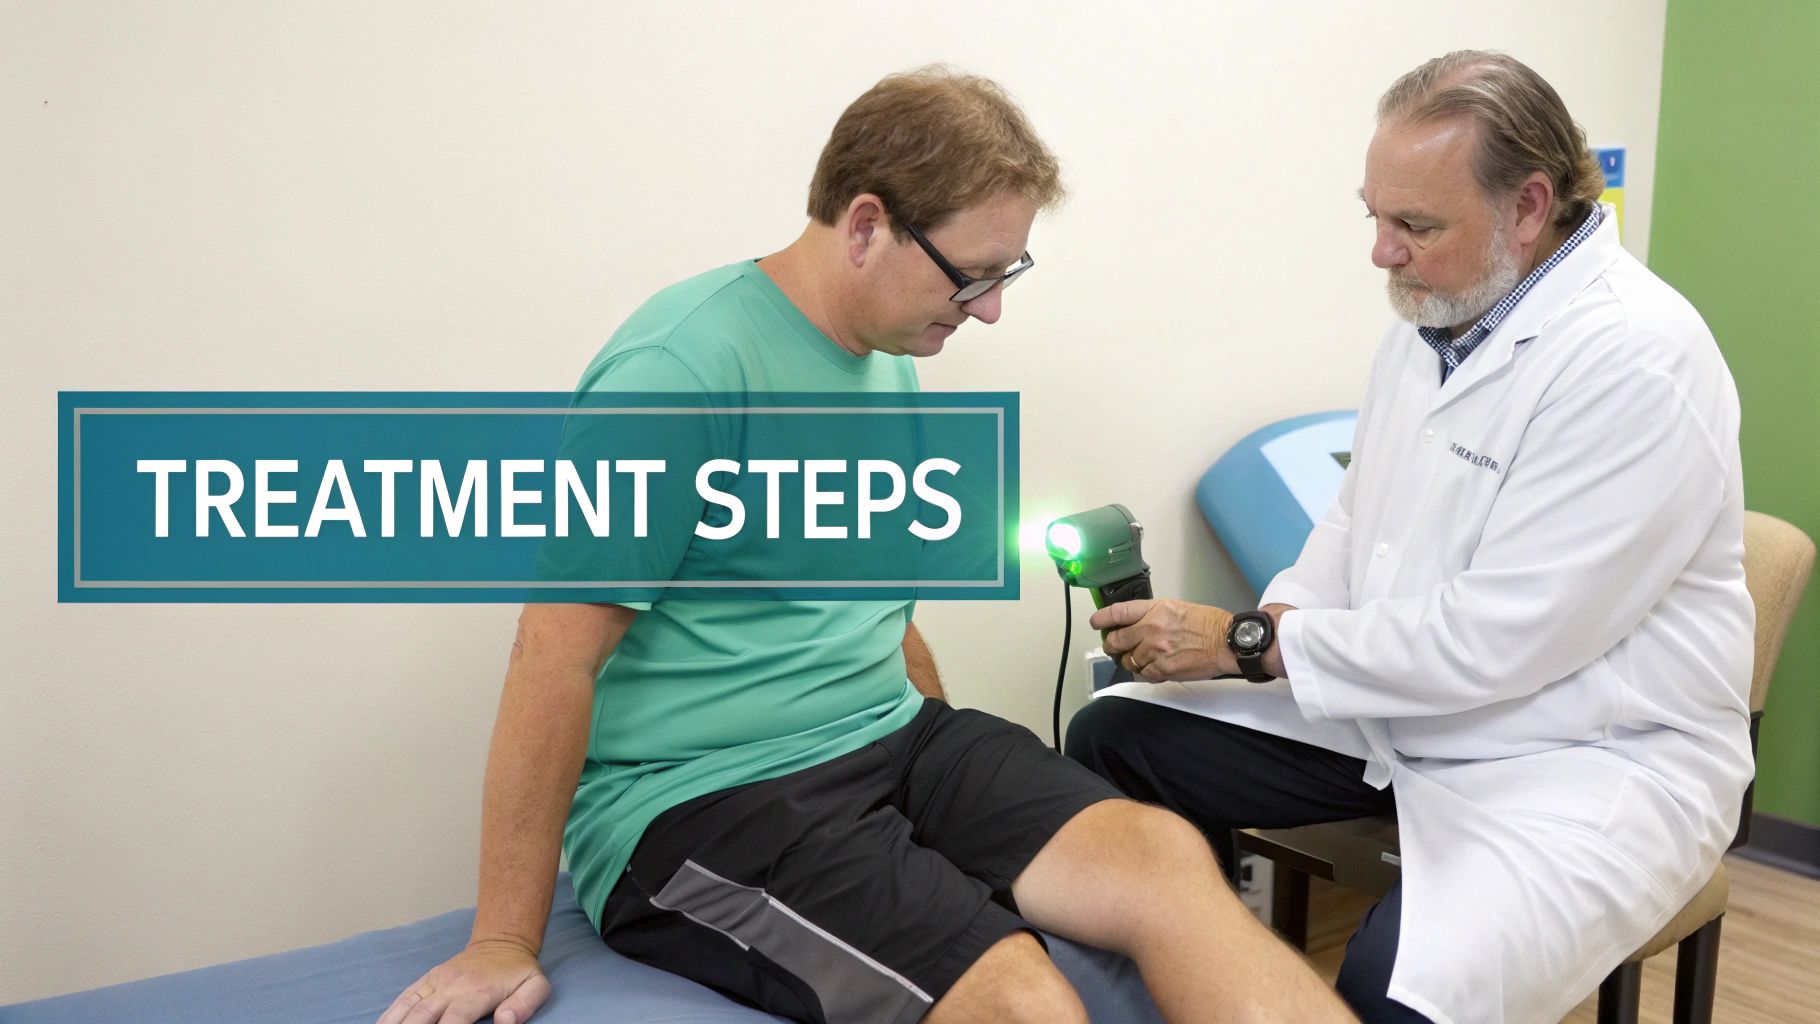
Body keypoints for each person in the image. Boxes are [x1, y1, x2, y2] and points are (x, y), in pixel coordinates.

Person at [379, 68, 1355, 1024]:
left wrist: (942, 784)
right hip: (708, 798)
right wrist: (502, 938)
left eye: (1005, 273)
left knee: (1163, 857)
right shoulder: (679, 371)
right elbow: (552, 652)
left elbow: (875, 613)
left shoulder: (885, 362)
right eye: (972, 275)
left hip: (889, 740)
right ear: (864, 225)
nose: (989, 308)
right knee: (1019, 996)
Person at [1069, 50, 1753, 1024]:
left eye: (1414, 225)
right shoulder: (1432, 319)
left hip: (1578, 757)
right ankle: (1206, 991)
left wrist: (1245, 644)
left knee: (1395, 991)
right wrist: (1278, 619)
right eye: (1374, 217)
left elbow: (1498, 641)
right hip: (1406, 712)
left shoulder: (1635, 362)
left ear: (1525, 206)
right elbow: (1354, 524)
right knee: (1116, 738)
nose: (1381, 254)